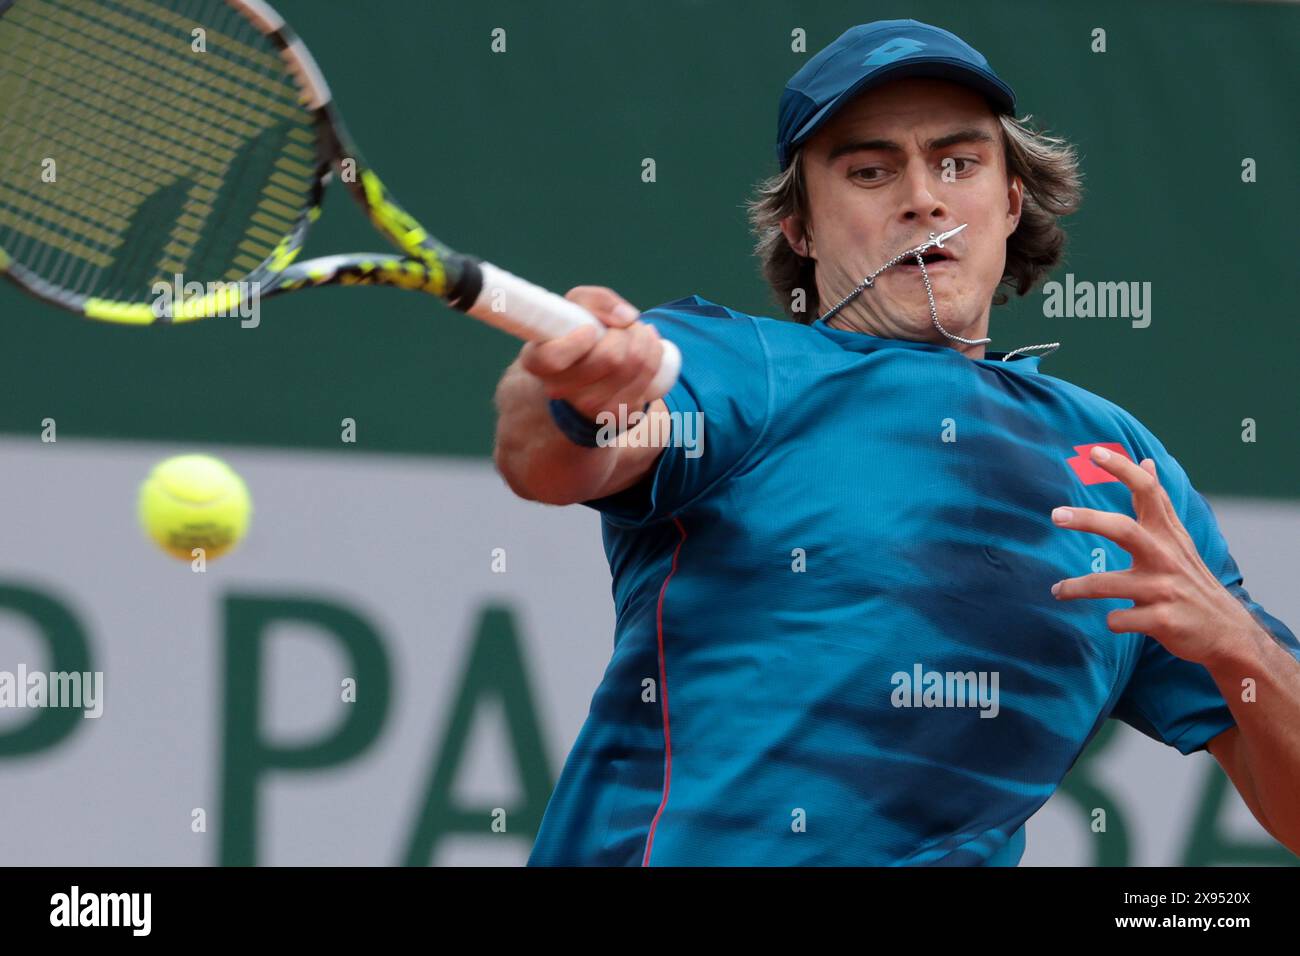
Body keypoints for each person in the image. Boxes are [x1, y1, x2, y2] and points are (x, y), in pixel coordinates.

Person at [492, 19, 1300, 865]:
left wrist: (1238, 644)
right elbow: (550, 456)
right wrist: (570, 388)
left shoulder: (1120, 464)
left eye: (960, 162)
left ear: (1013, 200)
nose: (924, 198)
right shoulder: (744, 366)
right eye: (870, 171)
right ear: (800, 226)